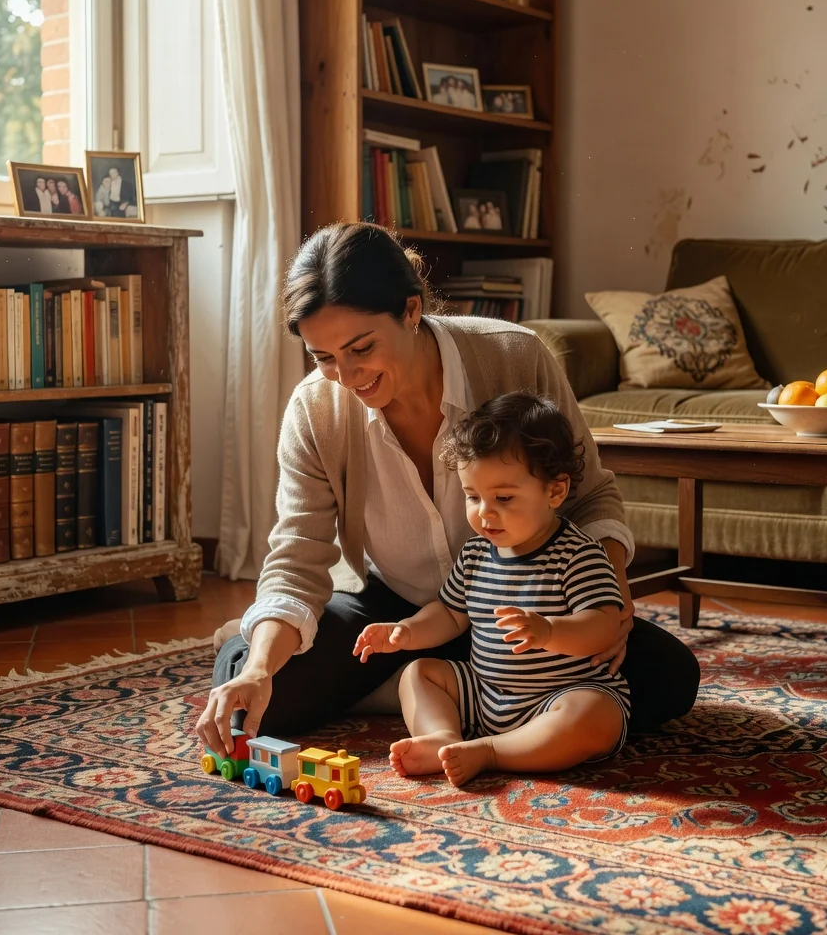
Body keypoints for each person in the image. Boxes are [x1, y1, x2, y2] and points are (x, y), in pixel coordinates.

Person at [196, 222, 700, 761]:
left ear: (412, 310)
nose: (345, 375)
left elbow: (592, 496)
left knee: (667, 676)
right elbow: (298, 557)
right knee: (252, 679)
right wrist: (258, 669)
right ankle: (460, 696)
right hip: (391, 611)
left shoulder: (515, 357)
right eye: (323, 357)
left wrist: (610, 602)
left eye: (361, 347)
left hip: (527, 607)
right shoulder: (315, 410)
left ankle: (421, 697)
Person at [353, 393, 631, 787]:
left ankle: (491, 752)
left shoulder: (579, 555)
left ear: (554, 492)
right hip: (485, 694)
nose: (484, 512)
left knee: (596, 715)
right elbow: (450, 614)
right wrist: (408, 631)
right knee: (419, 673)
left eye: (503, 498)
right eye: (472, 497)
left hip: (561, 696)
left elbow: (604, 626)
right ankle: (444, 738)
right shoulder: (476, 553)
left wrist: (550, 632)